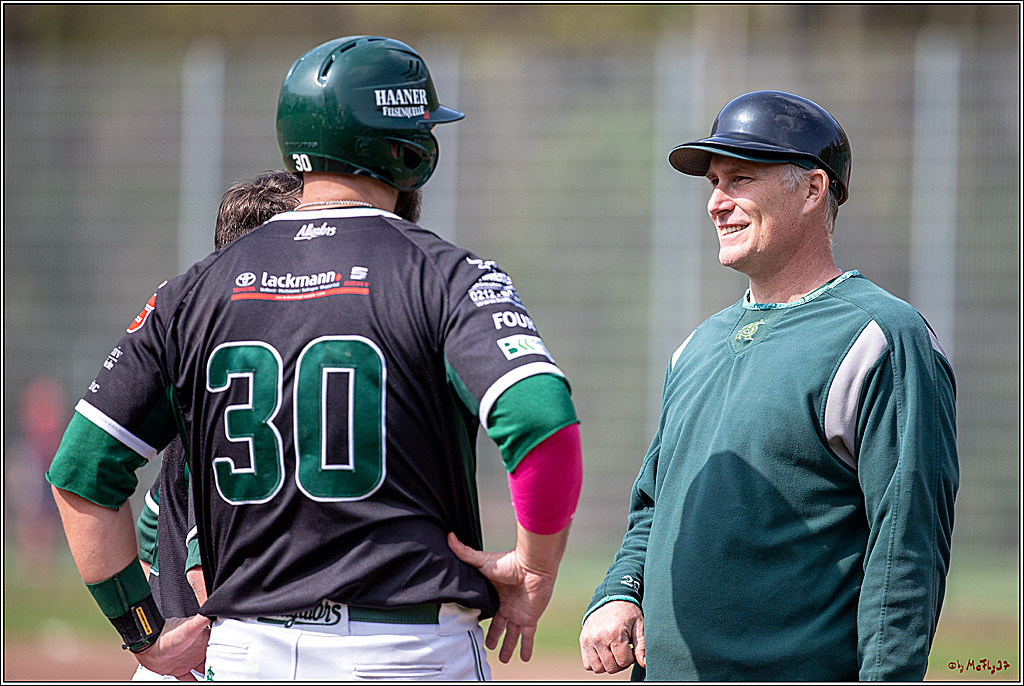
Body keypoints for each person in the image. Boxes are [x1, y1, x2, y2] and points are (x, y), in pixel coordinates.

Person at [47, 35, 581, 681]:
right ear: (406, 148)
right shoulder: (449, 276)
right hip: (407, 652)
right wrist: (535, 568)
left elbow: (81, 471)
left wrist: (143, 632)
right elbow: (542, 421)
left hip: (247, 655)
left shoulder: (189, 293)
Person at [579, 90, 958, 681]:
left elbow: (904, 549)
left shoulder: (881, 337)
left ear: (812, 190)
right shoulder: (696, 346)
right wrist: (620, 591)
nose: (716, 202)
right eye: (714, 182)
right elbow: (655, 503)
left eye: (741, 179)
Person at [132, 169, 303, 681]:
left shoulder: (214, 381)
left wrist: (156, 634)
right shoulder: (249, 399)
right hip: (216, 660)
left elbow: (150, 535)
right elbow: (204, 565)